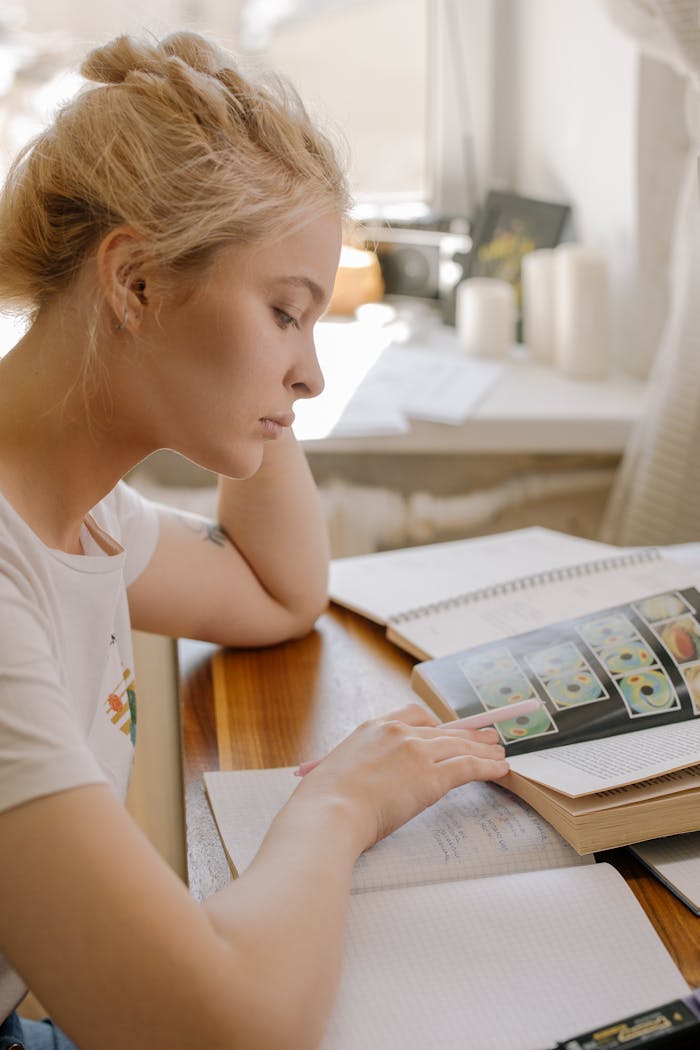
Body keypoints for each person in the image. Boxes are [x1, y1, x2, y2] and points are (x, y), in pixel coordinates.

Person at [0, 30, 510, 1050]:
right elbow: (221, 1032)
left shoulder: (83, 511)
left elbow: (279, 592)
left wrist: (257, 397)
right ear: (134, 283)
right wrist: (338, 806)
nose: (314, 376)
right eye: (286, 314)